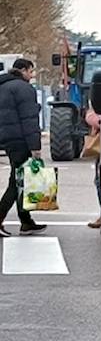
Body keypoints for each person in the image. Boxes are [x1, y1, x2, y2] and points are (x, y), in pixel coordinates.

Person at [0, 59, 47, 235]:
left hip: (9, 139)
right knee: (16, 181)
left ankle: (26, 221)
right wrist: (35, 147)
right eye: (31, 71)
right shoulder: (24, 89)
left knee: (21, 180)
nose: (32, 75)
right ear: (24, 70)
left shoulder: (3, 87)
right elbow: (29, 120)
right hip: (21, 140)